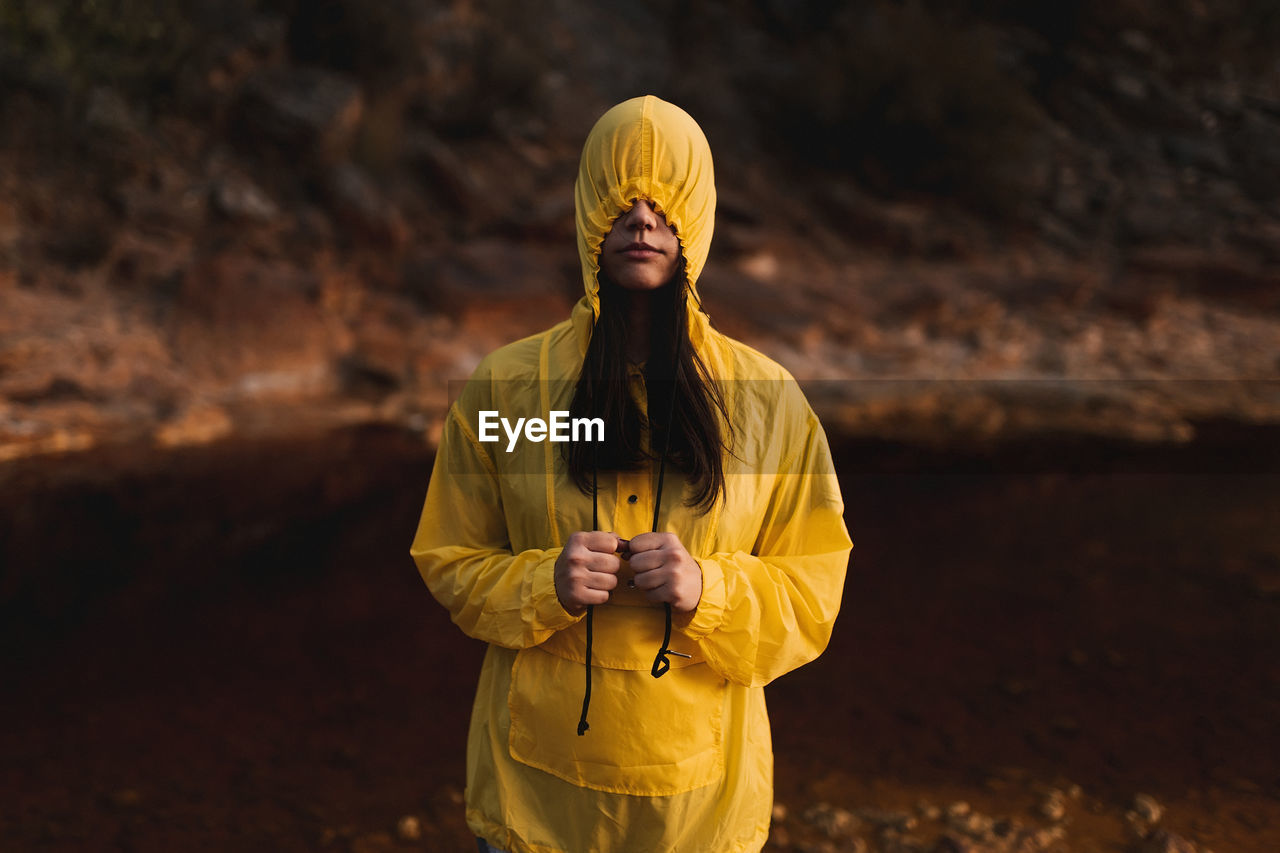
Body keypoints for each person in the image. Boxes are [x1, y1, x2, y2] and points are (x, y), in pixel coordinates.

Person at [410, 95, 853, 853]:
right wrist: (542, 582)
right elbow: (449, 558)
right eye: (622, 198)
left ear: (699, 219)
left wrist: (707, 590)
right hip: (535, 807)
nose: (643, 219)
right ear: (588, 212)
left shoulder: (770, 402)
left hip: (698, 817)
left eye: (665, 201)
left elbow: (813, 593)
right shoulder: (508, 390)